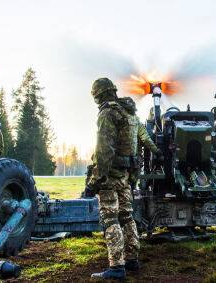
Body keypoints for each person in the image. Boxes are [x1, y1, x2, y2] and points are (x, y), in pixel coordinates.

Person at [88, 78, 143, 280]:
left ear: (98, 95)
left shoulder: (107, 114)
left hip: (110, 176)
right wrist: (134, 177)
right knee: (127, 216)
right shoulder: (129, 114)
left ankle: (116, 266)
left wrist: (95, 180)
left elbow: (104, 150)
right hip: (126, 175)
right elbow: (137, 150)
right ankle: (132, 260)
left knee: (110, 218)